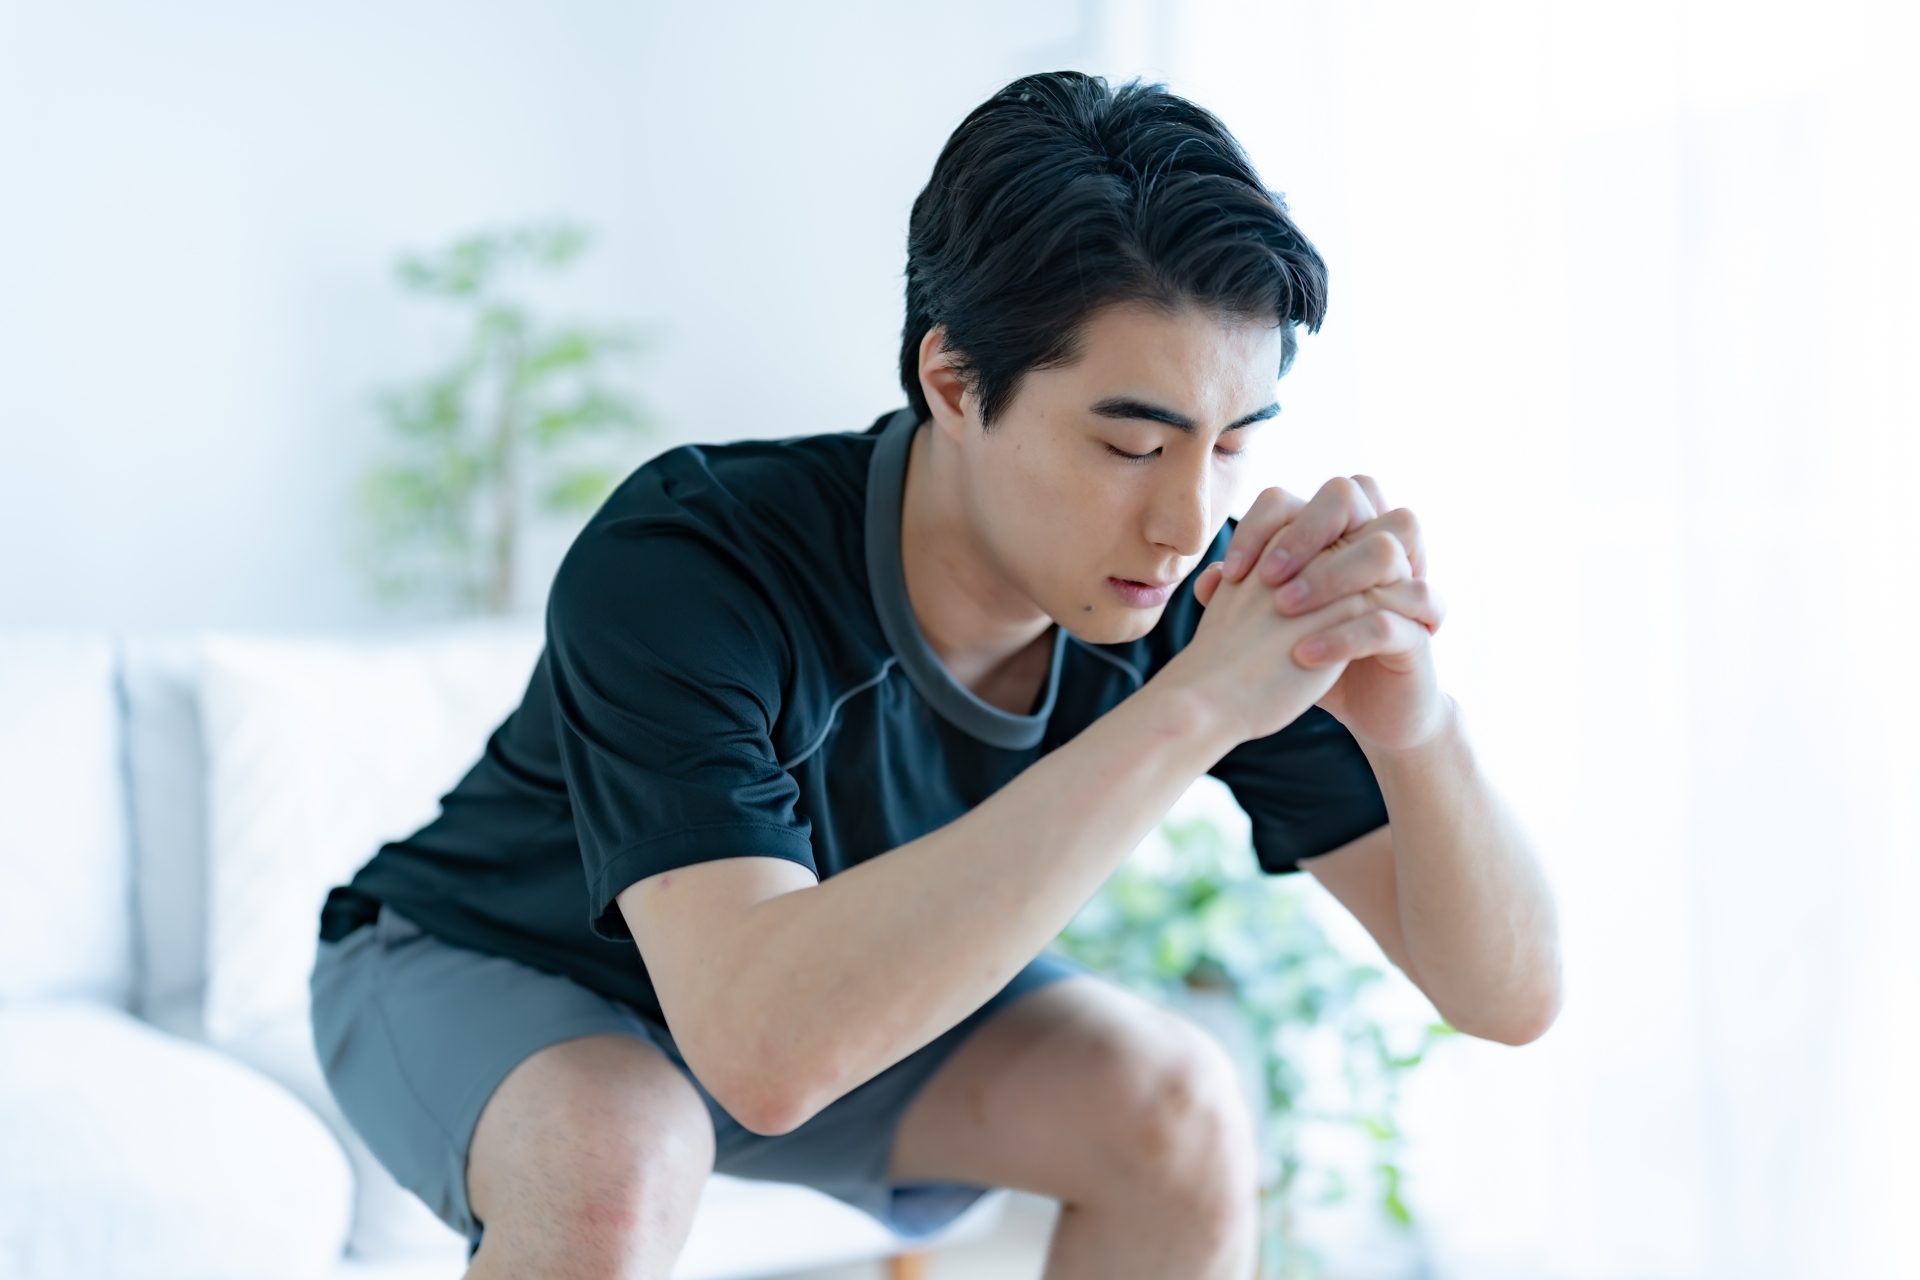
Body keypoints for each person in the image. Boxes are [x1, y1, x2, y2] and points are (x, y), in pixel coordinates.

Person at [310, 71, 1561, 1280]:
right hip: (499, 962)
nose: (1188, 521)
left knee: (1177, 1110)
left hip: (817, 994)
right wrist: (1194, 708)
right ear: (954, 383)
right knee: (619, 1152)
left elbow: (1510, 996)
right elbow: (765, 1050)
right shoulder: (689, 558)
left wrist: (1416, 728)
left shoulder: (1193, 593)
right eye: (1133, 444)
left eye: (1232, 444)